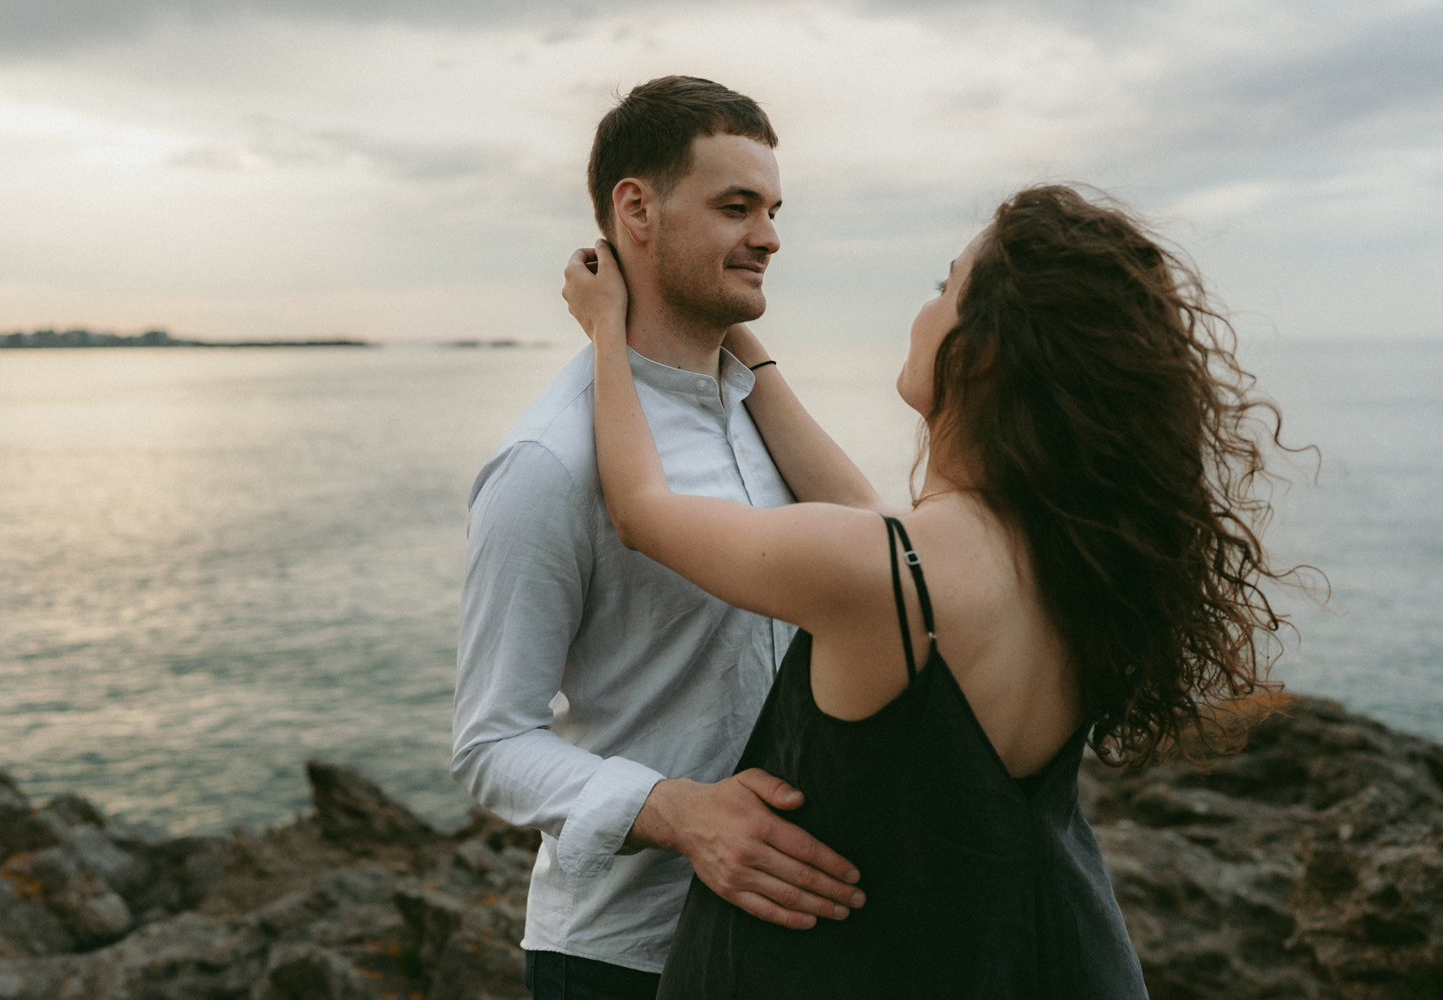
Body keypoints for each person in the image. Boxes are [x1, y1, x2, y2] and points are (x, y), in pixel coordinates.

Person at [563, 184, 1295, 998]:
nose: (925, 307)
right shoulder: (1063, 552)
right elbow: (861, 514)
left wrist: (605, 330)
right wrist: (740, 340)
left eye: (944, 287)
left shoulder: (887, 571)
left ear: (983, 350)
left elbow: (641, 511)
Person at [451, 76, 864, 1000]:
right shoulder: (548, 463)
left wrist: (749, 351)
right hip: (624, 960)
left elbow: (879, 544)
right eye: (735, 206)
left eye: (772, 209)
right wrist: (676, 812)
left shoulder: (759, 415)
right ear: (634, 209)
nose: (769, 236)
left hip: (789, 938)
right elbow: (490, 743)